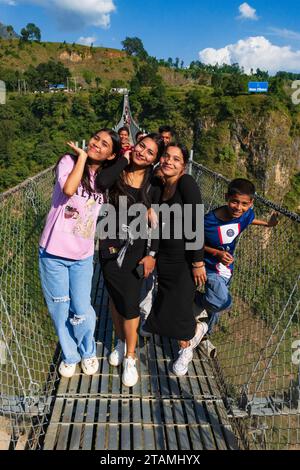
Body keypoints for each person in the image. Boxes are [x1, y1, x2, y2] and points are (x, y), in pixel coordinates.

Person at [39, 128, 121, 378]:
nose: (97, 144)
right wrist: (82, 159)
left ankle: (87, 351)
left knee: (82, 308)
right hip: (52, 251)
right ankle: (71, 354)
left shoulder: (107, 180)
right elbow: (69, 189)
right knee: (59, 309)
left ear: (111, 155)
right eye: (96, 139)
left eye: (105, 144)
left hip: (82, 256)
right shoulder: (69, 162)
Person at [96, 133, 165, 387]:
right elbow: (101, 182)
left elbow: (158, 224)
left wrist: (152, 254)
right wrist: (123, 162)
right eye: (141, 146)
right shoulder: (116, 170)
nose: (143, 153)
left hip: (137, 249)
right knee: (116, 298)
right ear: (134, 145)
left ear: (155, 160)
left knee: (131, 303)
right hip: (109, 245)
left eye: (150, 152)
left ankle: (131, 357)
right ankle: (122, 340)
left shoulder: (153, 185)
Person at [144, 143, 207, 377]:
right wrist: (154, 255)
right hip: (166, 257)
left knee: (180, 308)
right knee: (167, 303)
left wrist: (198, 262)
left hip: (184, 258)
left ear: (184, 166)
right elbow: (158, 228)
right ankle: (192, 330)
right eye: (166, 157)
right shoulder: (162, 188)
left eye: (176, 159)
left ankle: (188, 344)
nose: (169, 161)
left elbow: (196, 222)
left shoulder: (186, 183)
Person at [194, 178, 278, 338]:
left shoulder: (245, 214)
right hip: (208, 266)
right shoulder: (208, 222)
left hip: (225, 269)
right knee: (222, 302)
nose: (238, 208)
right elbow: (191, 240)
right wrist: (216, 253)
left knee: (217, 307)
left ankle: (204, 335)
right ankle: (194, 299)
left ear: (251, 203)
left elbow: (248, 220)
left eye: (244, 204)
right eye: (234, 202)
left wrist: (268, 224)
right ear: (226, 197)